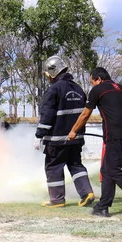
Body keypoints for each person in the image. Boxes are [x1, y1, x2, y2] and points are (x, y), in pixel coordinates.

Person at [67, 67, 122, 218]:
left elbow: (86, 113)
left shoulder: (98, 89)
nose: (92, 85)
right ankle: (103, 207)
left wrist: (73, 131)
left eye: (92, 82)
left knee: (113, 170)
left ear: (98, 79)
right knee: (106, 170)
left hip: (115, 136)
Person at [35, 56, 95, 208]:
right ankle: (87, 192)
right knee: (75, 165)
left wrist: (40, 134)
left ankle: (57, 200)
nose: (47, 78)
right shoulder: (79, 89)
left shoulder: (54, 89)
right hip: (76, 138)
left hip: (57, 140)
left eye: (48, 75)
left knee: (53, 167)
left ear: (52, 73)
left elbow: (47, 113)